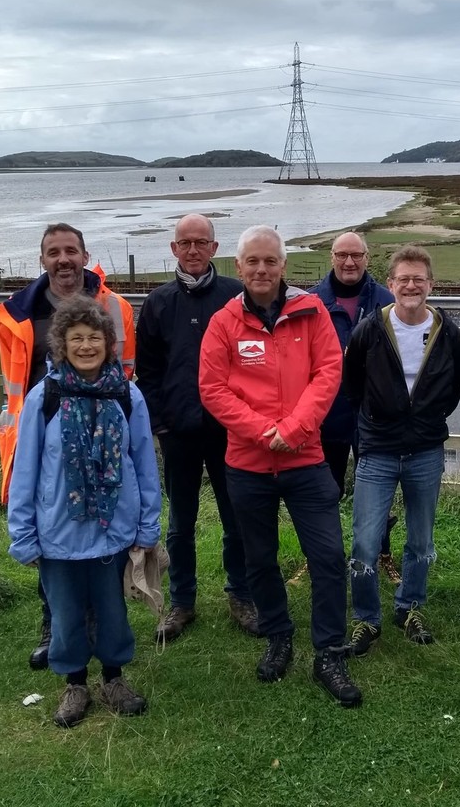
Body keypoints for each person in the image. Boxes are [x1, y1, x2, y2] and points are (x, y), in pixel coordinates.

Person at [199, 225, 362, 707]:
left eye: (270, 261)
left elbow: (328, 372)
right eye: (253, 261)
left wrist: (292, 429)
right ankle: (278, 633)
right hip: (247, 464)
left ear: (283, 266)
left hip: (306, 458)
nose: (262, 270)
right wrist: (259, 430)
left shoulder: (311, 313)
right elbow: (213, 388)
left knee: (329, 556)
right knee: (259, 558)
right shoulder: (224, 321)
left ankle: (330, 650)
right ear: (239, 266)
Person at [6, 295, 161, 728]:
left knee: (112, 609)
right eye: (77, 338)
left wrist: (148, 523)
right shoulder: (44, 397)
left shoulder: (128, 395)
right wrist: (23, 533)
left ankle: (113, 678)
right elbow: (26, 468)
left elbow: (145, 462)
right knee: (66, 612)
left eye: (95, 337)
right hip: (58, 529)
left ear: (108, 343)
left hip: (114, 528)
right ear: (62, 343)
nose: (87, 346)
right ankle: (75, 684)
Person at [0, 222, 136, 669]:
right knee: (53, 532)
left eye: (71, 250)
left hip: (103, 434)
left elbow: (125, 369)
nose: (63, 259)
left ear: (84, 254)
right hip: (46, 432)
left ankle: (103, 632)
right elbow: (14, 384)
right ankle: (55, 625)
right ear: (42, 260)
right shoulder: (19, 314)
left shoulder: (114, 307)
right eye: (53, 252)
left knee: (101, 542)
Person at [135, 213, 257, 643]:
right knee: (180, 522)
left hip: (231, 431)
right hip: (179, 431)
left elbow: (252, 361)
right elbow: (147, 372)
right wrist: (160, 423)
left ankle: (241, 595)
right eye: (184, 242)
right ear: (173, 249)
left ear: (214, 248)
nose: (192, 250)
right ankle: (182, 601)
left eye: (200, 242)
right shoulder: (158, 302)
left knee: (236, 517)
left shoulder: (235, 296)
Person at [343, 246, 460, 655]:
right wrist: (381, 418)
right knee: (365, 539)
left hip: (425, 450)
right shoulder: (370, 330)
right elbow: (352, 386)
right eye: (403, 279)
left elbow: (450, 391)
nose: (411, 286)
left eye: (419, 279)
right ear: (390, 284)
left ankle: (410, 606)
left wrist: (426, 420)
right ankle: (366, 618)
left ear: (431, 284)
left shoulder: (447, 332)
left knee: (421, 537)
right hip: (377, 449)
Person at [311, 231, 399, 577]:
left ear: (367, 257)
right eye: (342, 255)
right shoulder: (311, 301)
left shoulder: (386, 300)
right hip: (326, 414)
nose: (349, 262)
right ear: (332, 257)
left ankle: (381, 555)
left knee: (378, 493)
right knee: (323, 492)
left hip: (373, 416)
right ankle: (322, 558)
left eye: (357, 255)